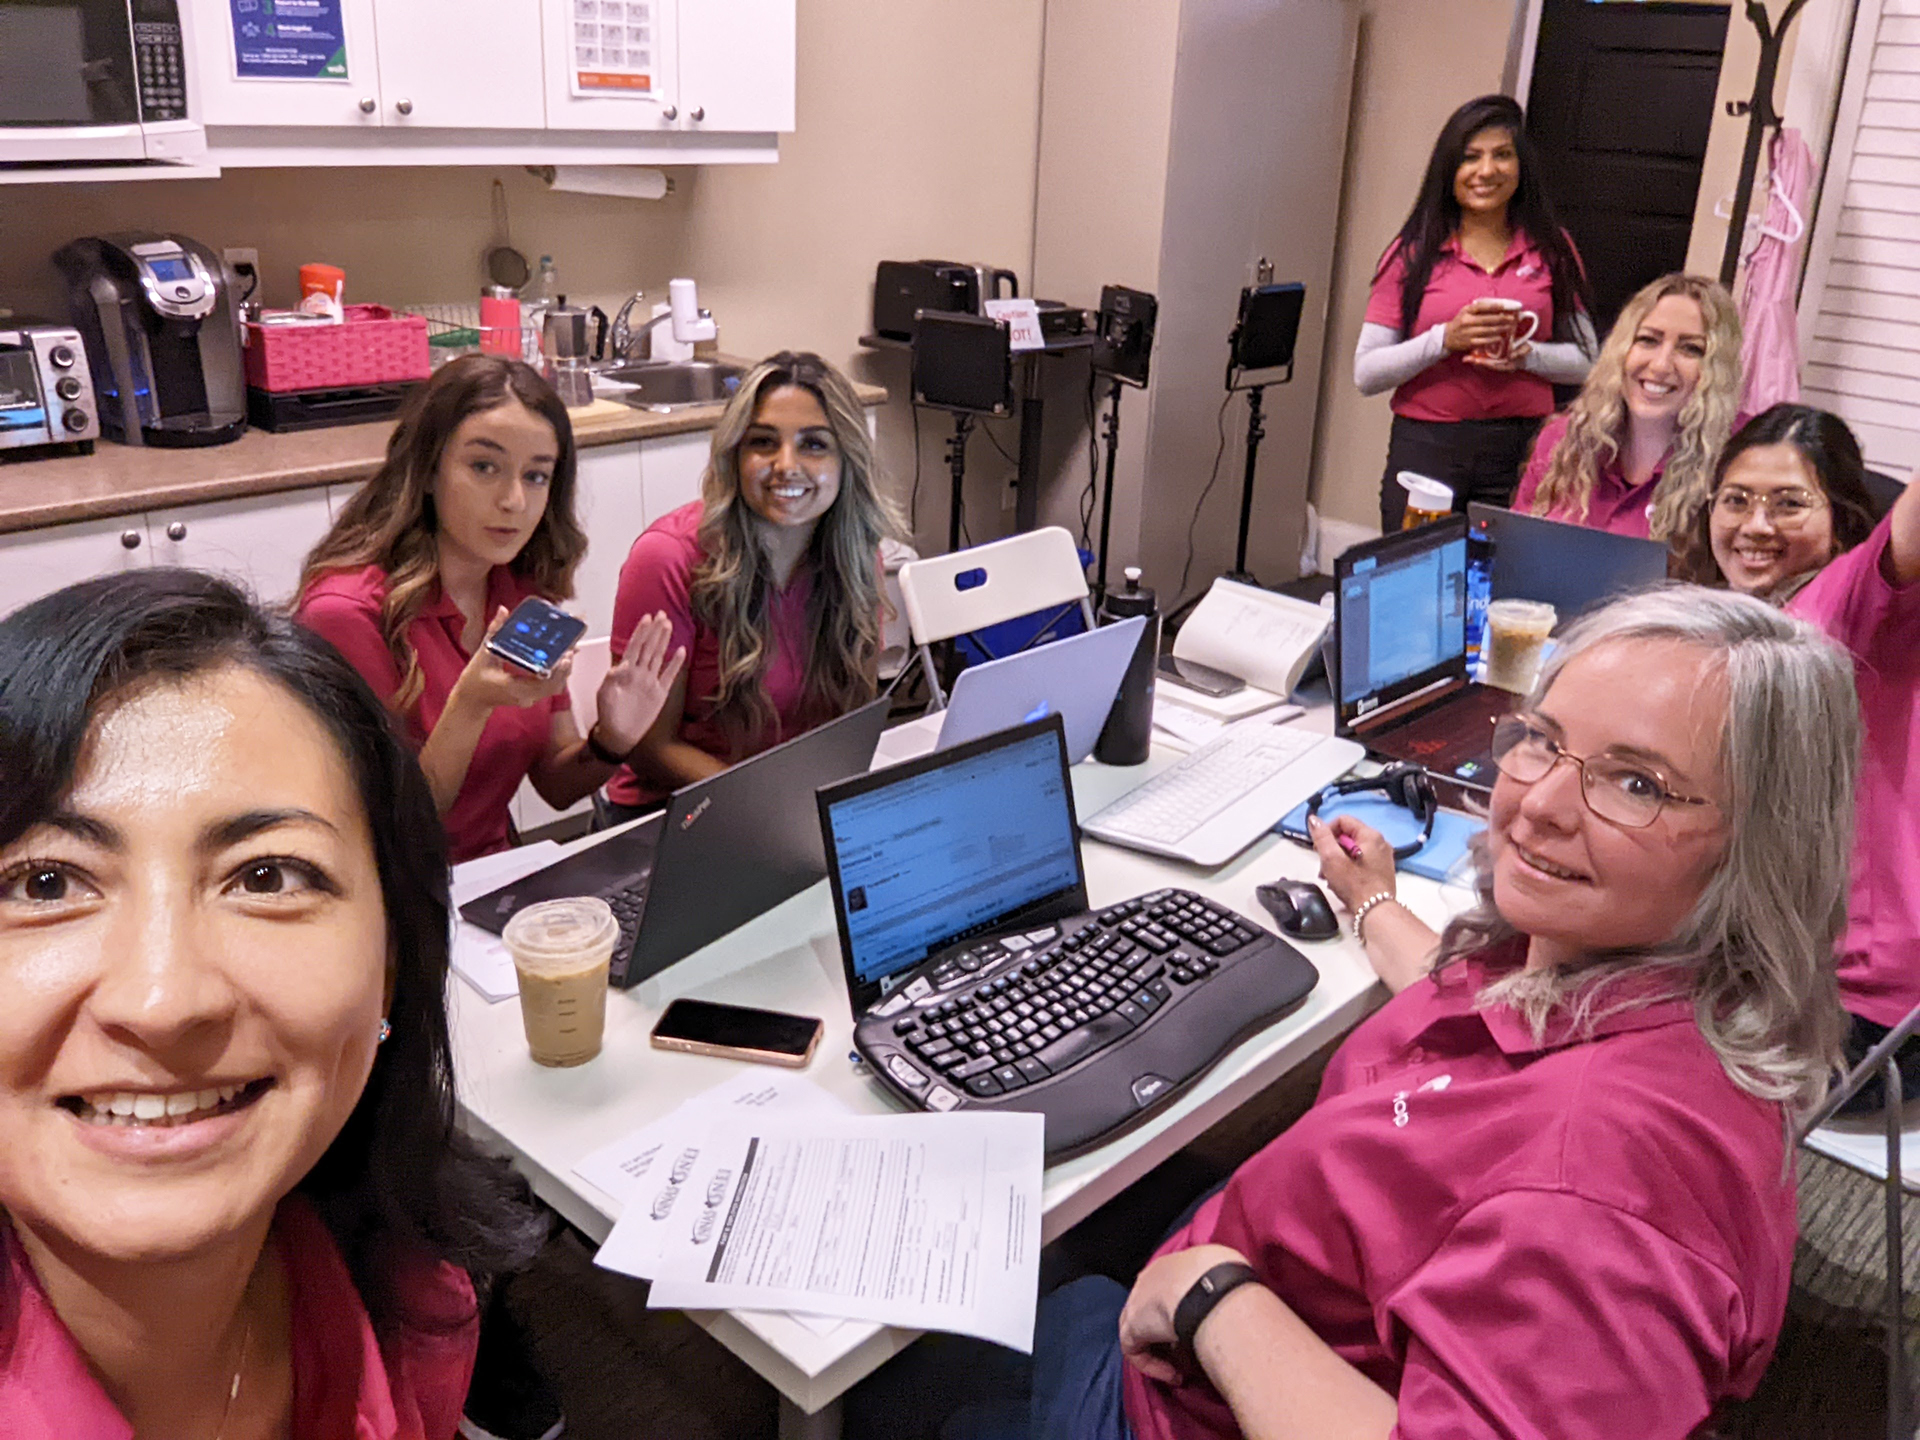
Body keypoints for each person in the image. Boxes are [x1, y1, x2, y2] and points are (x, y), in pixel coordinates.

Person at [867, 586, 1858, 1440]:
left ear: (1758, 849)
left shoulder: (1592, 1191)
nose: (1541, 804)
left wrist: (1215, 1293)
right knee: (1093, 1199)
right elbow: (1477, 1025)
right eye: (1544, 742)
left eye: (1636, 784)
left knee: (888, 1359)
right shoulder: (1637, 977)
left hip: (1182, 1388)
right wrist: (1371, 901)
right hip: (1300, 1278)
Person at [0, 569, 546, 1439]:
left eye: (266, 876)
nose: (163, 1000)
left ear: (393, 962)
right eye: (46, 881)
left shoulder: (415, 1301)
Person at [295, 354, 684, 863]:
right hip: (397, 894)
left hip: (495, 874)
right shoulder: (345, 615)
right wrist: (470, 705)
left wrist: (614, 738)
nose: (514, 500)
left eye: (537, 476)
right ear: (429, 470)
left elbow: (557, 784)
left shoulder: (519, 592)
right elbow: (396, 832)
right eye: (484, 467)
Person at [1684, 404, 1920, 1107]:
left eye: (1789, 504)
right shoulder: (1742, 620)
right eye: (1737, 501)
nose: (1756, 526)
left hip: (1854, 1027)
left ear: (1845, 521)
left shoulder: (1843, 607)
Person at [601, 350, 903, 822]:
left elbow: (849, 723)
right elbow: (647, 747)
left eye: (815, 445)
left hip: (794, 806)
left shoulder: (858, 554)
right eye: (763, 442)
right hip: (673, 813)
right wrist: (771, 806)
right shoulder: (668, 559)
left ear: (848, 460)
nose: (786, 465)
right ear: (734, 455)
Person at [1355, 94, 1596, 531]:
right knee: (1414, 578)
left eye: (1502, 155)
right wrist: (1446, 339)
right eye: (1470, 158)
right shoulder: (1411, 253)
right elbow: (1367, 373)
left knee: (1506, 581)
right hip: (1427, 445)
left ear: (1521, 168)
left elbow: (1588, 361)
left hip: (1523, 446)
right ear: (1450, 171)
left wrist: (1525, 356)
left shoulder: (1554, 249)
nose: (1487, 171)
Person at [1512, 272, 1744, 541]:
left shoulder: (1739, 458)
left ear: (1718, 368)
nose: (1660, 365)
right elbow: (1515, 549)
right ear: (1620, 348)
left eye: (1691, 349)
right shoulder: (1562, 439)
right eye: (1648, 340)